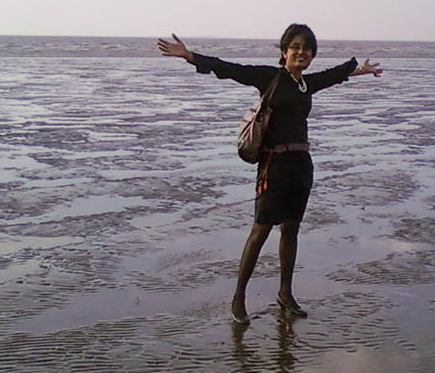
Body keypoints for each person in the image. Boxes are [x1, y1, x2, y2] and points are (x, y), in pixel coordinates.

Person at [158, 24, 382, 325]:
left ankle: (285, 294)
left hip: (301, 164)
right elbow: (230, 68)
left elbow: (333, 77)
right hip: (273, 166)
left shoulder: (306, 83)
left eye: (307, 48)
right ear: (284, 51)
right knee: (260, 231)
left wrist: (359, 70)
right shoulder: (270, 78)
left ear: (312, 54)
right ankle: (239, 297)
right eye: (296, 47)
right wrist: (189, 55)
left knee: (291, 230)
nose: (301, 52)